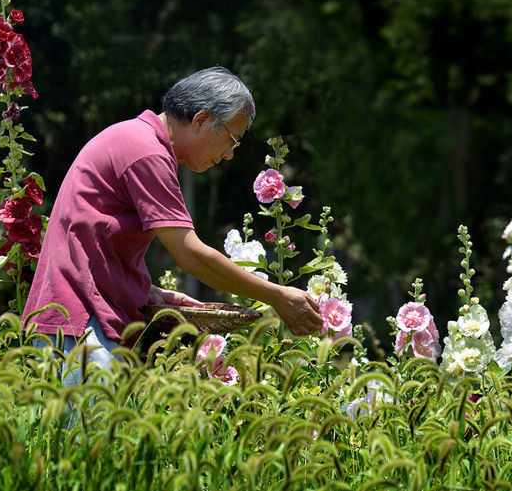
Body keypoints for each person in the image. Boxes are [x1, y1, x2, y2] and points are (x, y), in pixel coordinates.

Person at [23, 66, 322, 382]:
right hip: (80, 323)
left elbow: (90, 241)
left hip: (77, 318)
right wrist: (276, 295)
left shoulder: (137, 141)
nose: (230, 155)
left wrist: (149, 292)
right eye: (232, 139)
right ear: (202, 120)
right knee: (91, 430)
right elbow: (189, 255)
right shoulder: (145, 151)